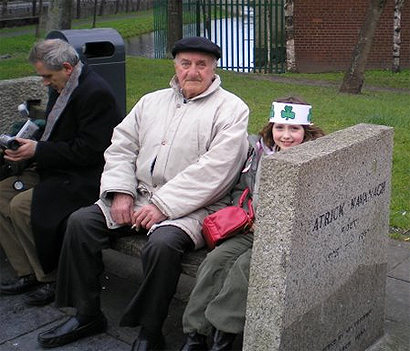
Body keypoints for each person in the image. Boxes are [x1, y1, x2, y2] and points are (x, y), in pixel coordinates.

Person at [37, 36, 249, 351]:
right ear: (175, 65)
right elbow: (121, 147)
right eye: (185, 63)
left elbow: (216, 170)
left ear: (214, 67)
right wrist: (120, 192)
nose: (192, 71)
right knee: (81, 222)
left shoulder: (231, 109)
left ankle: (151, 330)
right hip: (137, 194)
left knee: (162, 246)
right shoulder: (152, 101)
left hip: (195, 206)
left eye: (201, 65)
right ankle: (86, 312)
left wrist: (164, 205)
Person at [180, 96, 325, 351]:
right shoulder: (259, 153)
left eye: (294, 129)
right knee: (215, 261)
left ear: (306, 130)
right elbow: (241, 188)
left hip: (286, 236)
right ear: (271, 129)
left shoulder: (316, 160)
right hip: (252, 227)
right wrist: (246, 215)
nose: (286, 136)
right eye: (280, 128)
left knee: (244, 268)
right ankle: (195, 333)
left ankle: (222, 336)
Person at [0, 39, 122, 306]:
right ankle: (28, 271)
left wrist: (38, 151)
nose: (44, 82)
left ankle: (52, 278)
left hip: (85, 177)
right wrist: (28, 143)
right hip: (56, 167)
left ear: (67, 67)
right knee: (2, 194)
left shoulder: (95, 93)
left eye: (47, 76)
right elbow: (55, 132)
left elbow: (91, 152)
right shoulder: (64, 84)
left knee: (21, 206)